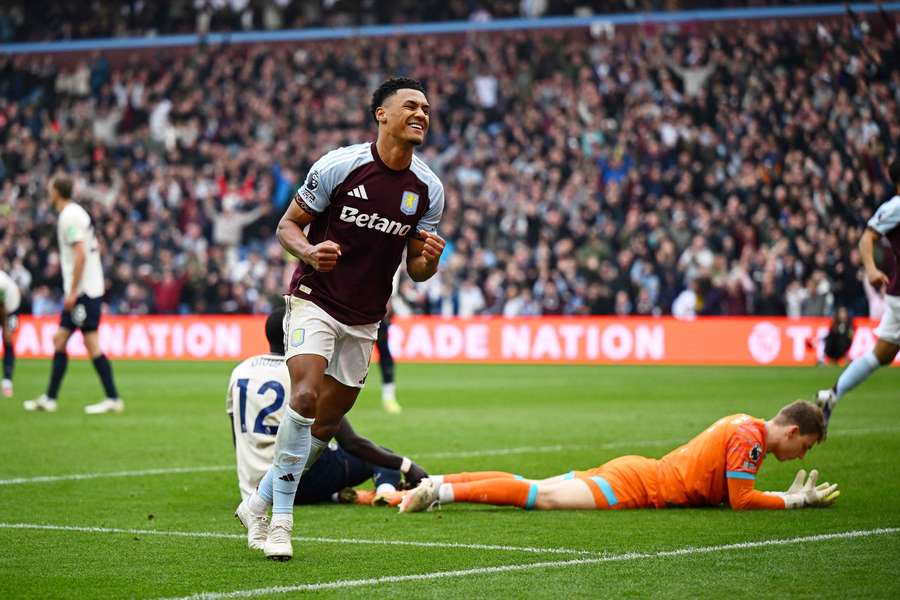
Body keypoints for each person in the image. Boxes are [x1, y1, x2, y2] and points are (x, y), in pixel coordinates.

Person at [239, 77, 445, 560]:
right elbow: (287, 225)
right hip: (316, 298)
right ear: (382, 114)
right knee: (306, 396)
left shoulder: (428, 189)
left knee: (327, 425)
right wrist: (310, 252)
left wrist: (430, 260)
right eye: (411, 106)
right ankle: (281, 523)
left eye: (427, 109)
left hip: (365, 317)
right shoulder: (340, 165)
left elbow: (416, 271)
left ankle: (260, 500)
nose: (421, 114)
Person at [400, 400, 839, 513]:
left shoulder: (744, 425)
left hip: (638, 473)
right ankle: (444, 490)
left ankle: (438, 482)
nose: (801, 457)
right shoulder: (753, 438)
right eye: (806, 447)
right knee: (540, 495)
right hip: (639, 485)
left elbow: (727, 492)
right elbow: (742, 502)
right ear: (795, 431)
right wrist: (793, 499)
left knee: (538, 485)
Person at [229, 307, 428, 550]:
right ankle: (386, 493)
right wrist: (406, 464)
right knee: (374, 454)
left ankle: (269, 501)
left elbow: (236, 437)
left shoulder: (240, 371)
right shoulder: (302, 377)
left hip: (250, 481)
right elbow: (349, 440)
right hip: (297, 480)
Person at [24, 175, 123, 414]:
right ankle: (50, 398)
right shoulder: (77, 212)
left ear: (57, 191)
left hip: (83, 292)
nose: (49, 192)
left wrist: (72, 292)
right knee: (59, 339)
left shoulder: (69, 216)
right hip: (86, 289)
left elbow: (81, 253)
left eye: (50, 188)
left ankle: (112, 398)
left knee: (91, 343)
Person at [817, 159, 900, 426]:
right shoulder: (896, 206)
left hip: (897, 292)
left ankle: (831, 394)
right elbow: (867, 237)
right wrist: (872, 269)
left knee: (882, 354)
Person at [0, 269, 21, 397]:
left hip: (11, 307)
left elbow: (1, 307)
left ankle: (7, 382)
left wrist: (5, 326)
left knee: (8, 339)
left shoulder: (1, 283)